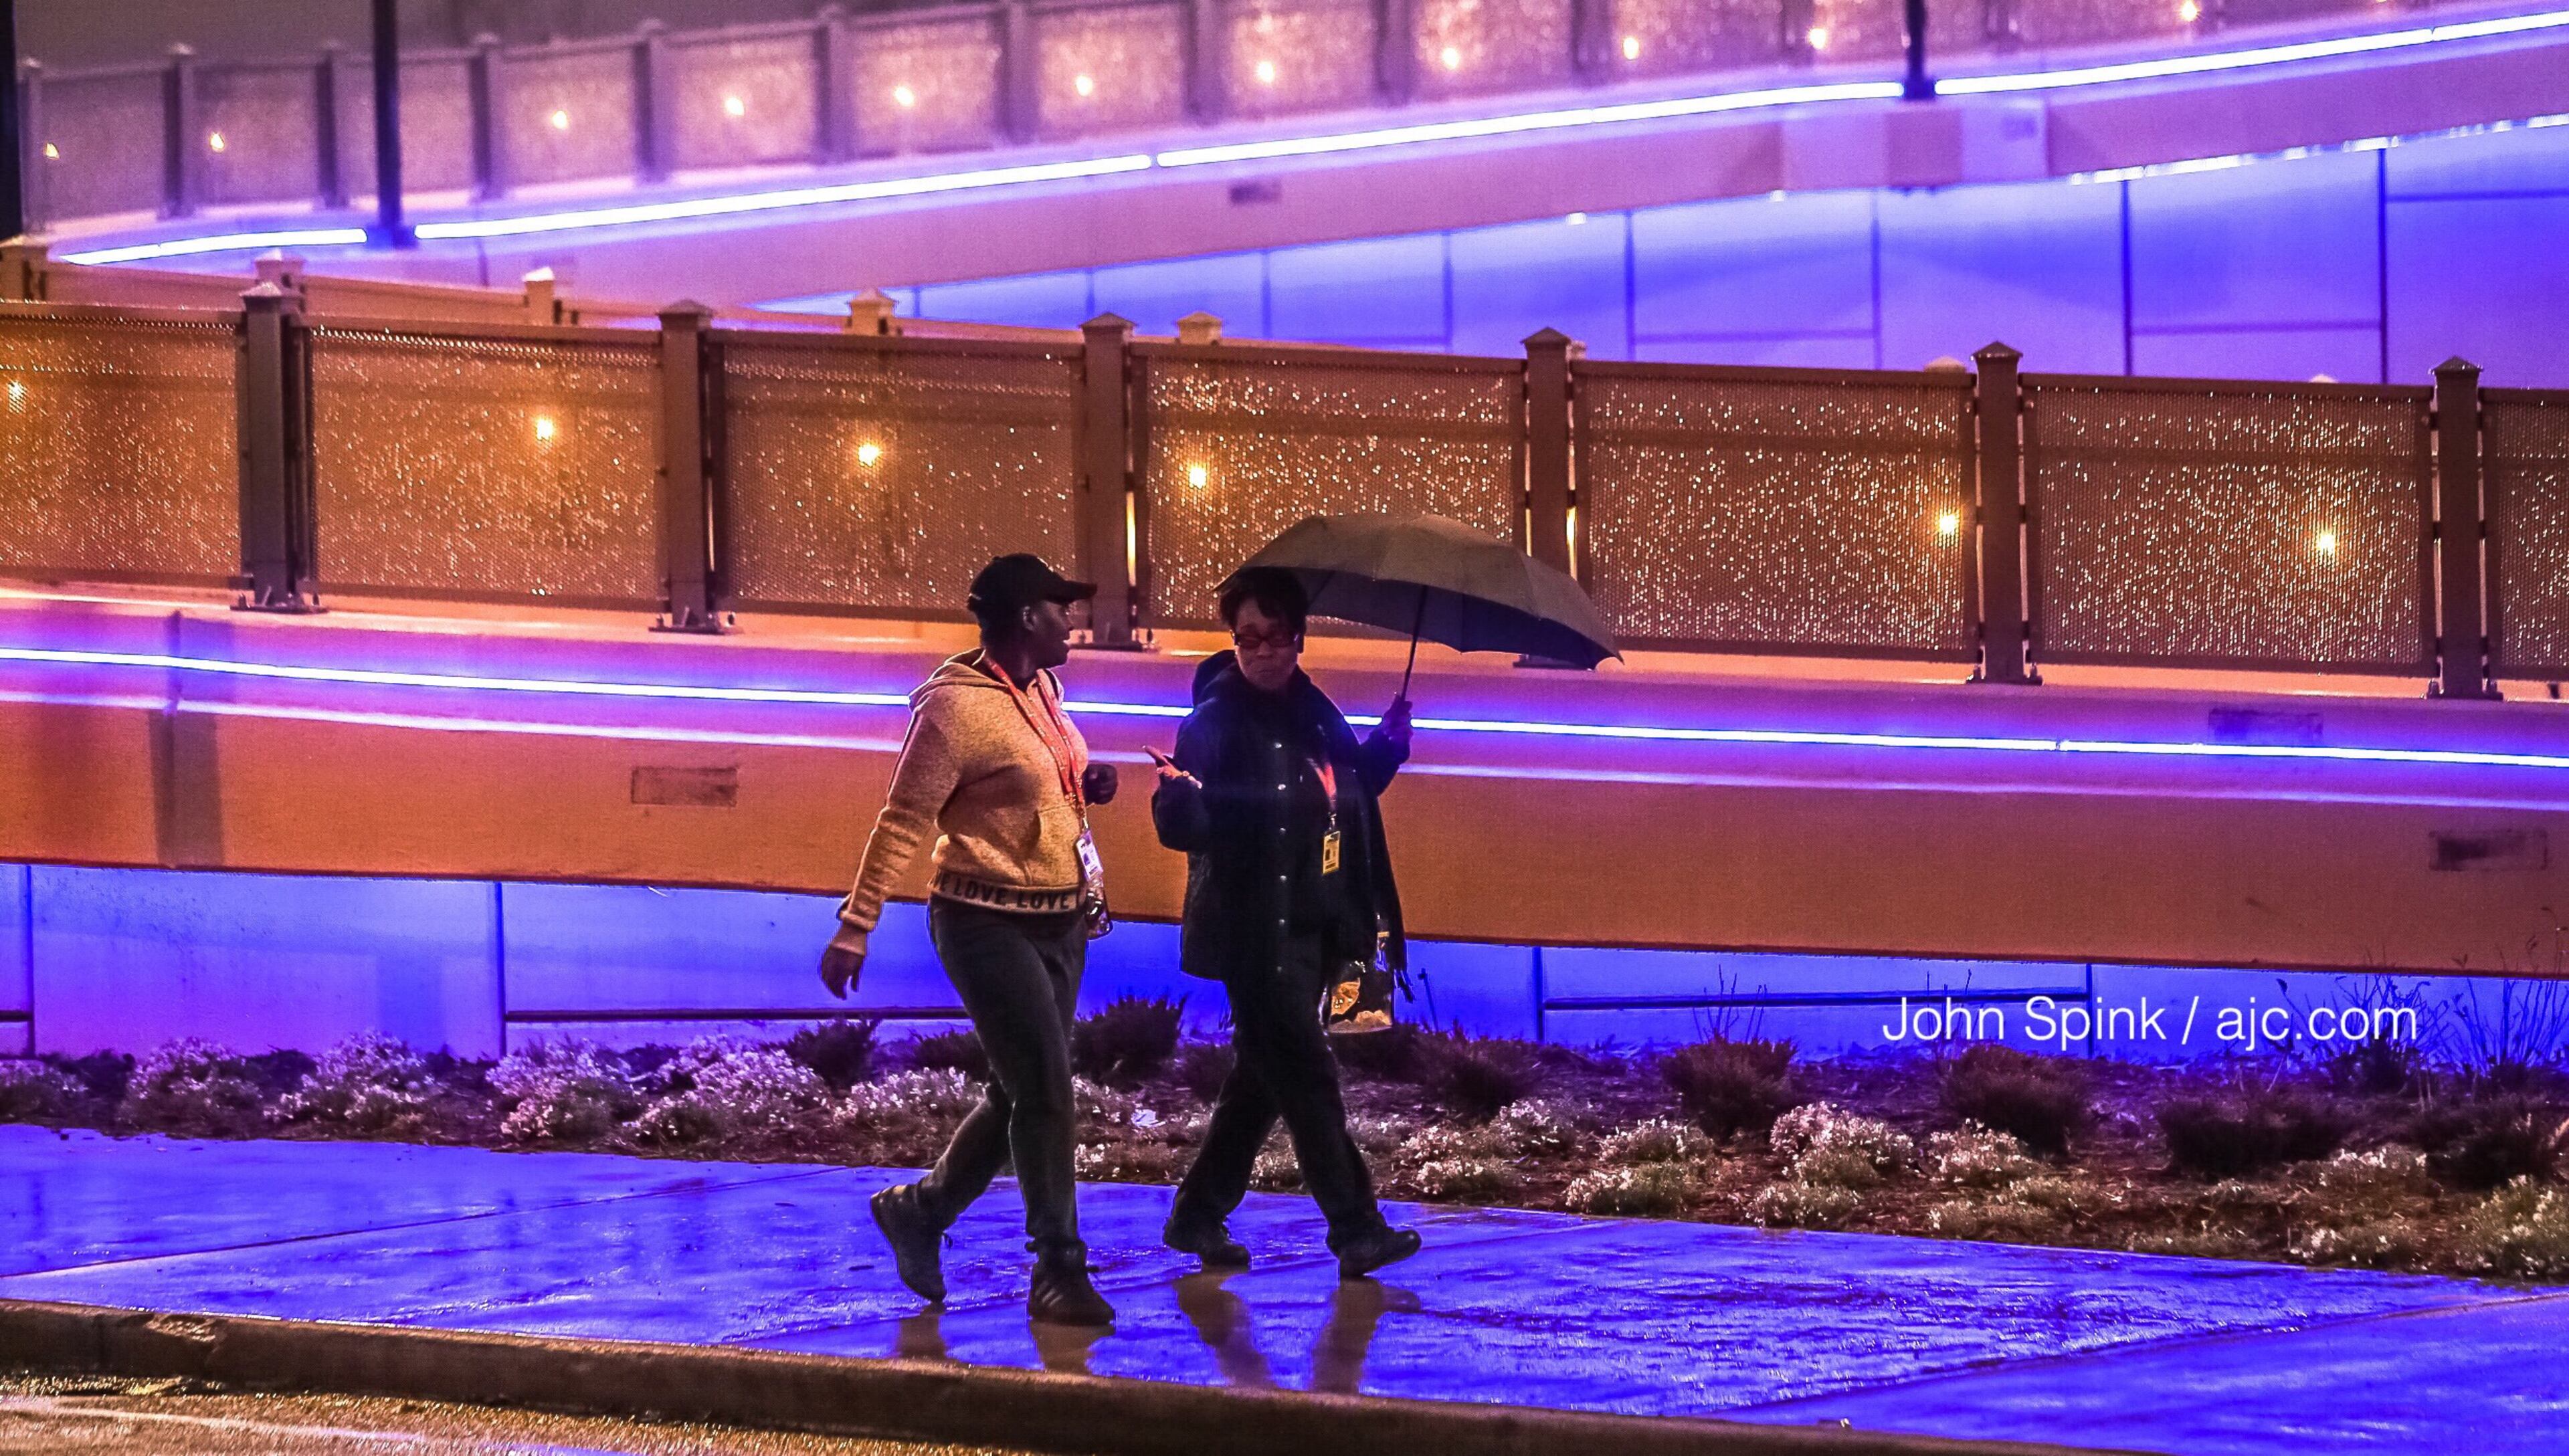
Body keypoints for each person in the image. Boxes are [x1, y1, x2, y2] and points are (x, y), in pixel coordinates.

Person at [819, 552, 1121, 1327]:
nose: (1073, 619)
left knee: (1019, 1087)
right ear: (1028, 617)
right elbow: (904, 818)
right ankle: (1058, 1266)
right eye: (1062, 606)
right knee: (1046, 1089)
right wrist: (857, 925)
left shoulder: (1044, 689)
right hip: (984, 920)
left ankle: (921, 1210)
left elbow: (1032, 778)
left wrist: (1088, 781)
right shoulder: (950, 710)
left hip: (1060, 917)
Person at [1150, 567, 1422, 1280]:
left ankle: (1197, 1210)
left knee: (1262, 1078)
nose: (1262, 650)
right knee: (1305, 1073)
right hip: (1252, 930)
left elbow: (1345, 792)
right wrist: (1177, 804)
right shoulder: (1212, 722)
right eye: (1247, 638)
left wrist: (1385, 747)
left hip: (1314, 923)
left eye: (1275, 636)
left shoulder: (1314, 710)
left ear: (1299, 638)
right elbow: (1188, 828)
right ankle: (1357, 1228)